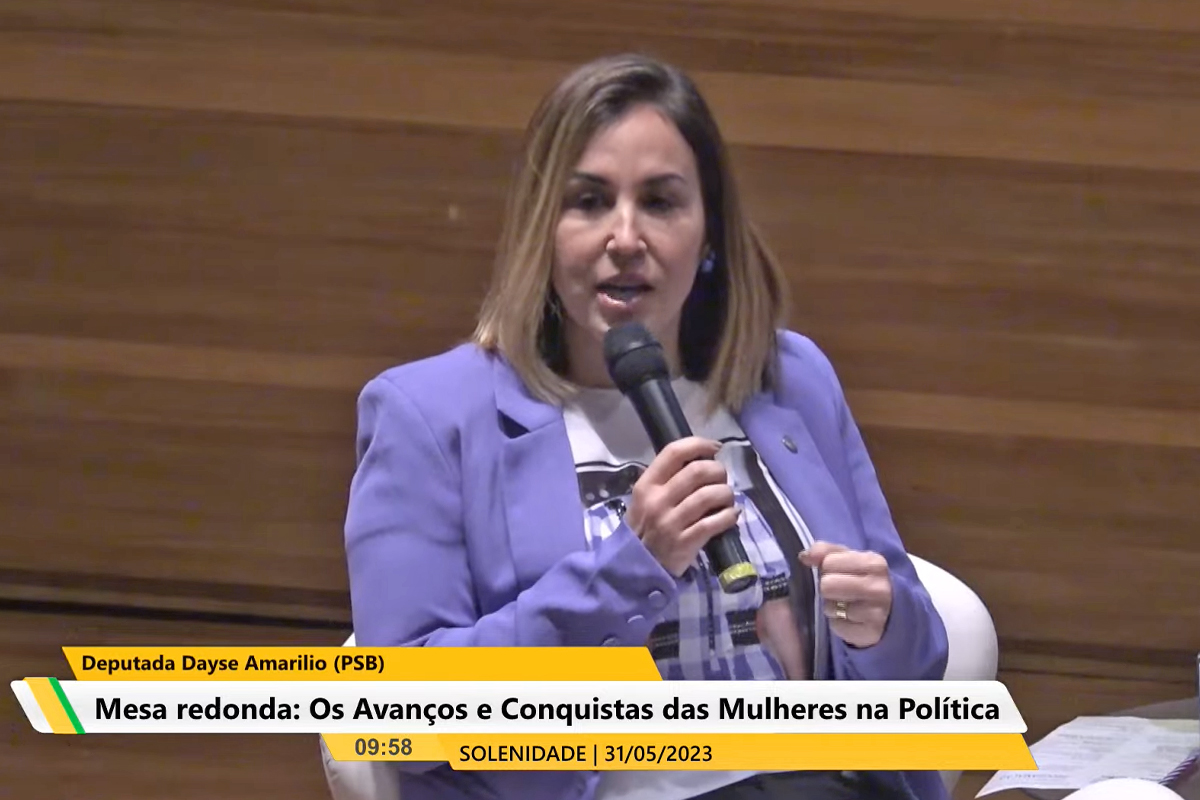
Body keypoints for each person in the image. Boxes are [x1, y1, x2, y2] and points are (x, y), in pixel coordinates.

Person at [344, 53, 950, 800]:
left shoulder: (788, 378)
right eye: (589, 201)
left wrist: (883, 622)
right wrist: (629, 571)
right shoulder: (431, 414)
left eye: (660, 202)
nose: (625, 236)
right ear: (541, 228)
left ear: (709, 234)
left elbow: (918, 658)